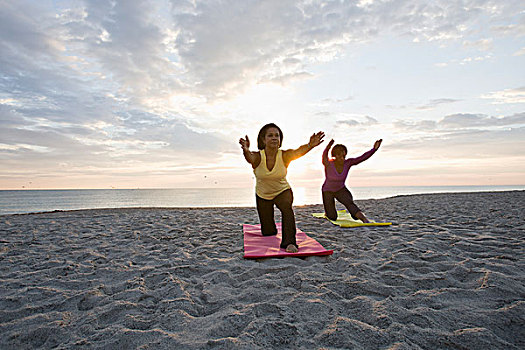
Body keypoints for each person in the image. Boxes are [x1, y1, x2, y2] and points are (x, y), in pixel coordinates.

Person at [240, 123, 325, 253]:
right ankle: (271, 228)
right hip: (263, 195)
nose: (274, 138)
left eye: (277, 135)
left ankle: (289, 242)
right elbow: (249, 157)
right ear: (263, 140)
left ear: (280, 140)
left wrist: (310, 146)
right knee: (268, 232)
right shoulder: (258, 157)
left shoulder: (284, 156)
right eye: (270, 135)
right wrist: (245, 150)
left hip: (282, 191)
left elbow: (298, 152)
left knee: (287, 209)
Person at [322, 138, 382, 223]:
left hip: (340, 189)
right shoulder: (328, 163)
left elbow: (362, 158)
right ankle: (327, 213)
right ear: (334, 155)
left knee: (350, 204)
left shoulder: (348, 163)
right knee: (332, 217)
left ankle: (364, 219)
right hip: (327, 191)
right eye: (339, 155)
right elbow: (324, 156)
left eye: (344, 156)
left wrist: (374, 149)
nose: (342, 158)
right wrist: (328, 147)